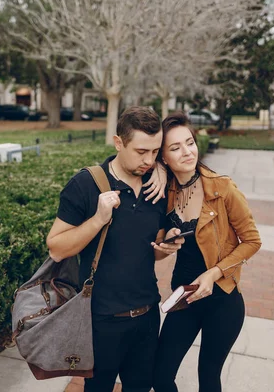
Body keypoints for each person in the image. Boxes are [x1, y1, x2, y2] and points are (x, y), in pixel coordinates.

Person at [47, 106, 185, 392]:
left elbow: (152, 249)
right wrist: (98, 219)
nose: (149, 160)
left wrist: (165, 246)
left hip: (147, 315)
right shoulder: (85, 184)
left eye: (155, 152)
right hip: (101, 321)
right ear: (118, 143)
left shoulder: (157, 186)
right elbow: (56, 248)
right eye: (141, 151)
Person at [152, 112, 262, 392]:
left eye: (189, 142)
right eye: (175, 147)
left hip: (222, 300)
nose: (187, 151)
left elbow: (252, 241)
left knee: (209, 380)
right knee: (160, 377)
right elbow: (159, 244)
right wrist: (166, 244)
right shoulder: (165, 192)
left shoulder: (222, 188)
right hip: (185, 296)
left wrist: (213, 273)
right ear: (163, 157)